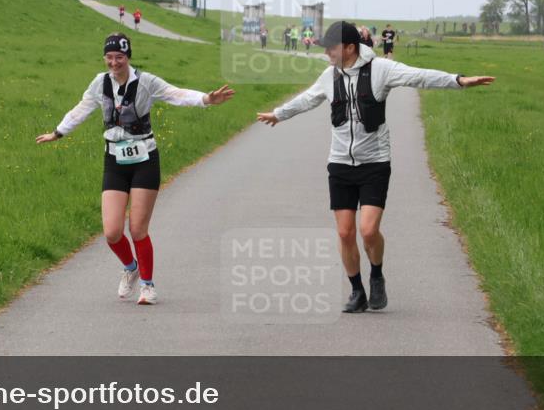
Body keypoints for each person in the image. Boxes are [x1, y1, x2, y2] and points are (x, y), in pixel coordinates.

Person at [255, 21, 493, 314]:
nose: (327, 53)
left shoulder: (381, 70)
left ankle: (376, 273)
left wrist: (457, 80)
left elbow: (418, 77)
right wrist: (279, 115)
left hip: (375, 163)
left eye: (332, 48)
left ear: (350, 48)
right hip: (340, 163)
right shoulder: (329, 76)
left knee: (368, 231)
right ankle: (357, 291)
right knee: (345, 234)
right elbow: (308, 99)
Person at [36, 33, 235, 305]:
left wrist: (206, 100)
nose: (114, 63)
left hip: (144, 160)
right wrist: (58, 132)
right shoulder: (99, 83)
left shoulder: (146, 82)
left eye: (119, 57)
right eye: (109, 58)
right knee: (112, 231)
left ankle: (148, 285)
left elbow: (176, 94)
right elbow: (81, 109)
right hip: (114, 161)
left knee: (138, 228)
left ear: (128, 57)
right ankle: (130, 268)